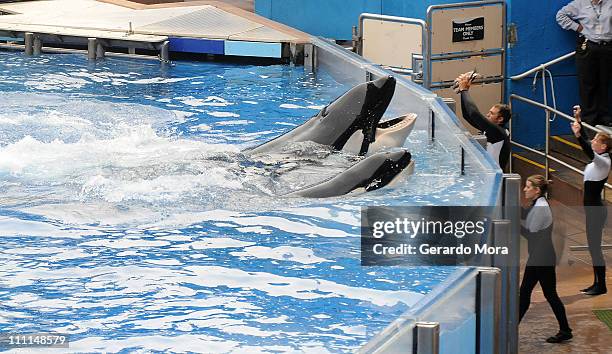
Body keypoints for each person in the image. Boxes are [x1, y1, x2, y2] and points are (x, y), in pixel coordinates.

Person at [519, 175, 573, 343]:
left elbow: (530, 233)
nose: (524, 189)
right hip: (538, 256)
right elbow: (525, 213)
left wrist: (513, 224)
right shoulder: (537, 203)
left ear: (537, 190)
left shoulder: (541, 208)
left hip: (543, 258)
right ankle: (511, 326)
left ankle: (565, 330)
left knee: (549, 294)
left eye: (528, 187)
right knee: (525, 292)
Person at [571, 105, 610, 295]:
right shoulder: (600, 158)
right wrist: (578, 120)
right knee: (593, 248)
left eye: (597, 140)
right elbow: (587, 143)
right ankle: (596, 282)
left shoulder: (604, 161)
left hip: (596, 210)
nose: (592, 141)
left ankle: (601, 285)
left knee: (595, 249)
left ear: (603, 147)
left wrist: (578, 135)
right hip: (592, 209)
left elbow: (587, 149)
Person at [557, 0, 612, 126]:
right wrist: (577, 27)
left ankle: (605, 116)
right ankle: (589, 117)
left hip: (607, 46)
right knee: (587, 83)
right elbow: (560, 15)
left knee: (605, 82)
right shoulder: (579, 3)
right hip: (587, 46)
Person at [454, 72, 511, 170]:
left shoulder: (499, 133)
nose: (487, 115)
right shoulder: (490, 130)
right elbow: (467, 116)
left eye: (492, 113)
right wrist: (462, 92)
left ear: (500, 119)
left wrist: (464, 90)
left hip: (495, 177)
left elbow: (474, 114)